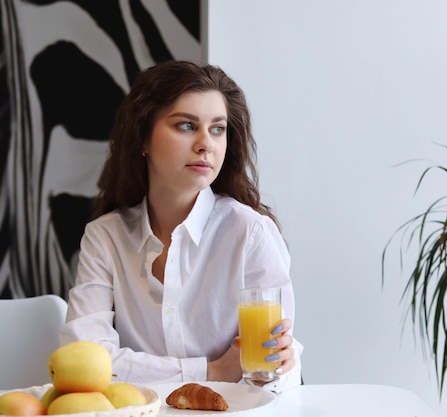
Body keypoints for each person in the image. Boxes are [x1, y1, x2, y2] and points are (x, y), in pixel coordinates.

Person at [59, 60, 302, 392]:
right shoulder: (105, 237)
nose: (206, 143)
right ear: (143, 137)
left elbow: (272, 375)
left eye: (218, 128)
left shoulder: (250, 233)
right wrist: (212, 371)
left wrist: (283, 362)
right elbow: (83, 359)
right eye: (187, 126)